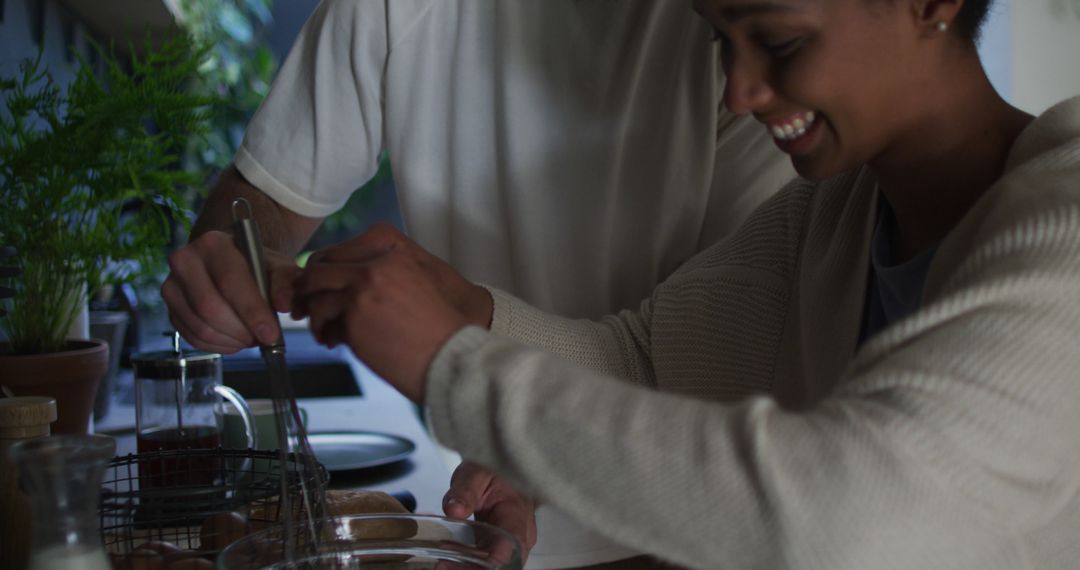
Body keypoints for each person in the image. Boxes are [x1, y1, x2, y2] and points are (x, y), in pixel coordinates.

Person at [290, 0, 1080, 567]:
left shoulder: (1065, 221)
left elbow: (849, 517)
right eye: (721, 39)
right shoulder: (837, 210)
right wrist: (465, 309)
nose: (739, 89)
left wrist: (452, 366)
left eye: (777, 38)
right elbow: (647, 361)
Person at [160, 0, 792, 566]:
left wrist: (509, 394)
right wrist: (230, 261)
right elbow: (263, 197)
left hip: (679, 525)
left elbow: (712, 353)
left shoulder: (738, 33)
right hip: (488, 488)